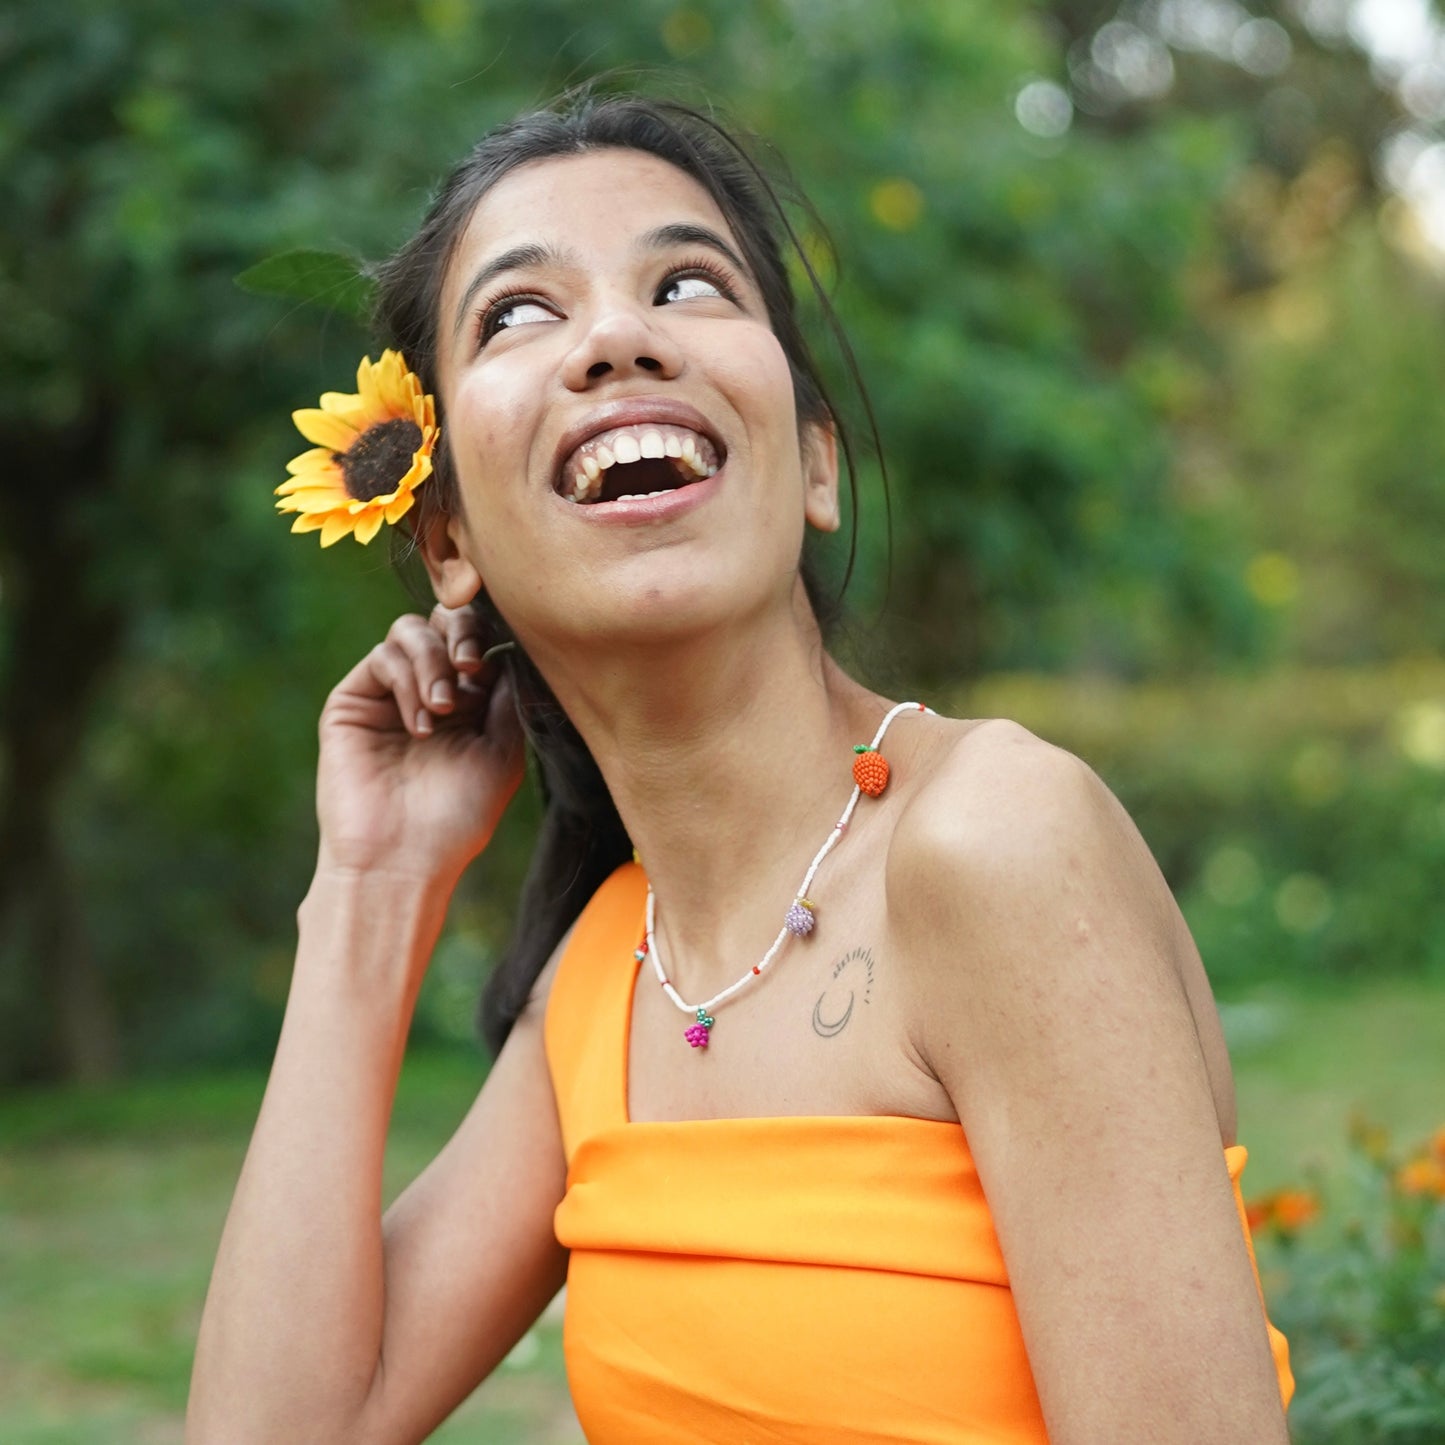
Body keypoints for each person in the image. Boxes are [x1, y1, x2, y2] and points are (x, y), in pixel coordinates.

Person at [187, 90, 1294, 1444]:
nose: (615, 337)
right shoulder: (612, 974)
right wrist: (371, 885)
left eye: (687, 283)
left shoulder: (993, 841)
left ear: (815, 462)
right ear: (447, 545)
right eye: (520, 313)